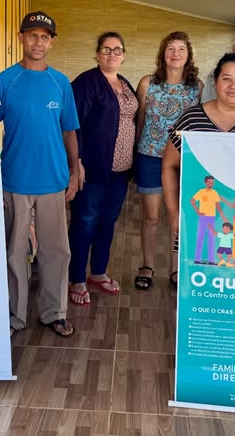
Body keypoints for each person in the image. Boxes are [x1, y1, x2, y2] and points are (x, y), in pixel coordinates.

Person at [0, 10, 79, 338]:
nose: (38, 42)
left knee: (56, 250)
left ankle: (54, 312)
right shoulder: (4, 81)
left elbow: (69, 130)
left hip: (53, 179)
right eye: (32, 36)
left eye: (44, 37)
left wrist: (75, 170)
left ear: (51, 43)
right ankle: (14, 315)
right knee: (15, 252)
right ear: (21, 38)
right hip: (14, 179)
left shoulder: (60, 83)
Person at [162, 53, 235, 280]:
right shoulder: (191, 119)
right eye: (227, 79)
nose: (234, 86)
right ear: (215, 82)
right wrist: (174, 212)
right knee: (196, 279)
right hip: (199, 217)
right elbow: (169, 165)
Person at [68, 32, 137, 303]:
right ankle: (76, 278)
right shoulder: (86, 82)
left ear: (124, 55)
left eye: (117, 50)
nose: (112, 54)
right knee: (85, 221)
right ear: (97, 54)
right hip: (93, 167)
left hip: (120, 170)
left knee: (108, 221)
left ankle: (98, 272)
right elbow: (71, 124)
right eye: (106, 49)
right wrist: (77, 162)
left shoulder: (125, 83)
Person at [134, 31, 203, 287]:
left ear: (188, 55)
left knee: (178, 217)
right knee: (151, 216)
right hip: (150, 156)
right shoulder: (147, 83)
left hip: (182, 160)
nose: (176, 53)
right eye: (171, 48)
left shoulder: (198, 87)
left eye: (181, 49)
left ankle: (176, 269)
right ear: (163, 53)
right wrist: (134, 155)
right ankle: (147, 265)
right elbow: (140, 120)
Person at [190, 175, 228, 265]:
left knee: (211, 238)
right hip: (203, 218)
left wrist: (223, 217)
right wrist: (198, 212)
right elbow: (192, 201)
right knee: (200, 237)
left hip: (211, 218)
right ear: (205, 182)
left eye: (212, 182)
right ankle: (197, 259)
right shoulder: (201, 192)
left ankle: (211, 260)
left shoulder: (215, 193)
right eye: (209, 182)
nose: (211, 184)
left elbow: (218, 206)